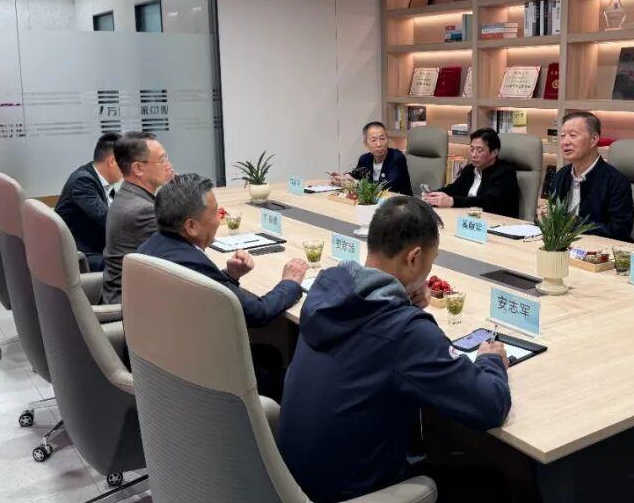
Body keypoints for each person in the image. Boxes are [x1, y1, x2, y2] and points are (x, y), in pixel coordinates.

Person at [278, 196, 512, 503]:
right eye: (431, 262)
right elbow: (490, 406)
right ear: (413, 258)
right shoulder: (406, 332)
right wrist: (491, 361)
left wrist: (402, 301)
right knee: (495, 483)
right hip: (356, 493)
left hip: (290, 482)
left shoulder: (329, 287)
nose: (429, 271)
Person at [137, 173, 306, 398]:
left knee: (268, 354)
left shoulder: (152, 246)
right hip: (205, 382)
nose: (219, 218)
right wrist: (290, 283)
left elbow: (207, 291)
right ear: (191, 226)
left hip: (166, 363)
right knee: (301, 384)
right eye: (216, 212)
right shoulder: (191, 264)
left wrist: (230, 275)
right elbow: (259, 313)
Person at [101, 131, 174, 304]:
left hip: (121, 292)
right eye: (162, 160)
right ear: (138, 168)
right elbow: (180, 258)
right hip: (133, 305)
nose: (168, 165)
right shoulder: (143, 211)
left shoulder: (126, 194)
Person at [547, 111, 634, 242]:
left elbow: (620, 232)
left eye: (573, 135)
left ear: (594, 139)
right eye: (562, 136)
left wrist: (574, 222)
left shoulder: (616, 182)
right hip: (562, 246)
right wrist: (544, 216)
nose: (565, 142)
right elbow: (553, 218)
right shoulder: (561, 175)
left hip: (599, 250)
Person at [54, 132, 121, 272]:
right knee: (131, 265)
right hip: (80, 254)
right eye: (127, 162)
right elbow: (107, 218)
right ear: (112, 162)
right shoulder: (83, 181)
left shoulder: (99, 180)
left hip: (94, 244)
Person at [423, 128, 520, 218]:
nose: (474, 155)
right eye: (472, 149)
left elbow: (488, 202)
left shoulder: (506, 172)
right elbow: (454, 188)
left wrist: (452, 201)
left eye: (480, 150)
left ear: (494, 152)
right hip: (469, 217)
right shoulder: (470, 169)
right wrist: (434, 195)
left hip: (496, 221)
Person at [330, 121, 412, 195]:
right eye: (373, 140)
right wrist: (343, 179)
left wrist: (356, 183)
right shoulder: (365, 159)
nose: (379, 144)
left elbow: (387, 188)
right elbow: (356, 176)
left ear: (387, 140)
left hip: (400, 203)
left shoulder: (397, 158)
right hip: (374, 203)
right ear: (365, 143)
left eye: (382, 139)